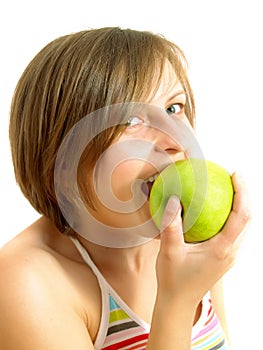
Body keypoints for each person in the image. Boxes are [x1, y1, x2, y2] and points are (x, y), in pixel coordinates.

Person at [0, 27, 250, 350]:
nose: (176, 141)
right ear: (63, 164)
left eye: (174, 108)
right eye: (132, 121)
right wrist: (178, 299)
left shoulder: (188, 241)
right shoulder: (23, 283)